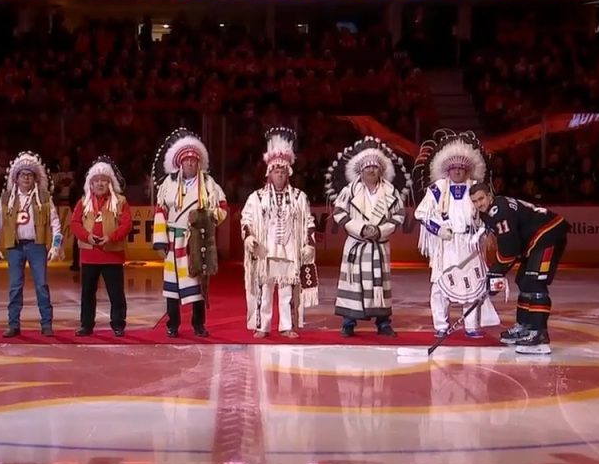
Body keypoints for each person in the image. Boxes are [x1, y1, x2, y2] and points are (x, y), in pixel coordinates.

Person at [412, 129, 500, 338]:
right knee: (440, 286)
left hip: (470, 244)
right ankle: (441, 326)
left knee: (473, 284)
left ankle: (471, 326)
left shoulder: (475, 188)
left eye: (462, 168)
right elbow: (420, 213)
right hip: (447, 244)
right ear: (447, 170)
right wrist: (438, 230)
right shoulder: (438, 188)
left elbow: (488, 213)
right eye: (454, 168)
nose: (458, 171)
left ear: (468, 169)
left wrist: (481, 232)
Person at [325, 136, 413, 337]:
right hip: (357, 245)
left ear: (380, 169)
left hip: (378, 246)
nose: (371, 170)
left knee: (379, 284)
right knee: (353, 283)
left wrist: (379, 231)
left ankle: (383, 323)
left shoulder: (390, 191)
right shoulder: (350, 190)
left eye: (375, 167)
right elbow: (339, 212)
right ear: (361, 170)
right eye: (367, 168)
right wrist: (361, 229)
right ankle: (348, 322)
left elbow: (399, 215)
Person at [470, 183, 569, 355]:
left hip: (548, 234)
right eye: (475, 201)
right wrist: (496, 271)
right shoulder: (490, 211)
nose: (479, 204)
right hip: (536, 240)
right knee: (523, 280)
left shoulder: (499, 211)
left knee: (534, 281)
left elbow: (509, 250)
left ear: (489, 195)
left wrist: (495, 272)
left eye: (481, 199)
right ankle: (525, 326)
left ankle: (539, 334)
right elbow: (509, 245)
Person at [151, 128, 229, 337]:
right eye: (187, 161)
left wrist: (208, 218)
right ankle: (172, 324)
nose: (190, 164)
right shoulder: (169, 183)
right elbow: (160, 211)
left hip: (196, 240)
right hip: (173, 240)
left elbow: (222, 207)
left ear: (198, 163)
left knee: (197, 284)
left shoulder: (208, 184)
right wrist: (160, 241)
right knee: (172, 287)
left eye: (194, 161)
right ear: (180, 163)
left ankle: (198, 324)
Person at [241, 127, 318, 338]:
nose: (280, 175)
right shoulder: (256, 198)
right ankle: (262, 326)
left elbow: (309, 221)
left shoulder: (299, 197)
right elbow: (246, 219)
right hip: (266, 250)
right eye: (276, 171)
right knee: (264, 289)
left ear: (288, 174)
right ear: (269, 173)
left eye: (283, 172)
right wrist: (249, 237)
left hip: (289, 250)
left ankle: (286, 326)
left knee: (287, 290)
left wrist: (309, 243)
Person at [0, 151, 63, 338]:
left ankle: (46, 324)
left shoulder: (44, 197)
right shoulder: (7, 197)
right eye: (23, 175)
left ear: (35, 178)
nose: (26, 178)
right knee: (15, 287)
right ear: (16, 177)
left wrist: (55, 245)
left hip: (36, 246)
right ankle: (13, 324)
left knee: (41, 285)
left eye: (29, 175)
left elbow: (55, 222)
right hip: (14, 247)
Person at [69, 156, 131, 336]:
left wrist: (110, 237)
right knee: (87, 293)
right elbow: (74, 223)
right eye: (96, 180)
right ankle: (86, 325)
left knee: (116, 293)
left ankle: (118, 324)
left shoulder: (120, 201)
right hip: (89, 255)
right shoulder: (84, 201)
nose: (100, 184)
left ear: (110, 182)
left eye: (104, 180)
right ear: (91, 183)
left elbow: (126, 224)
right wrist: (87, 237)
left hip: (112, 254)